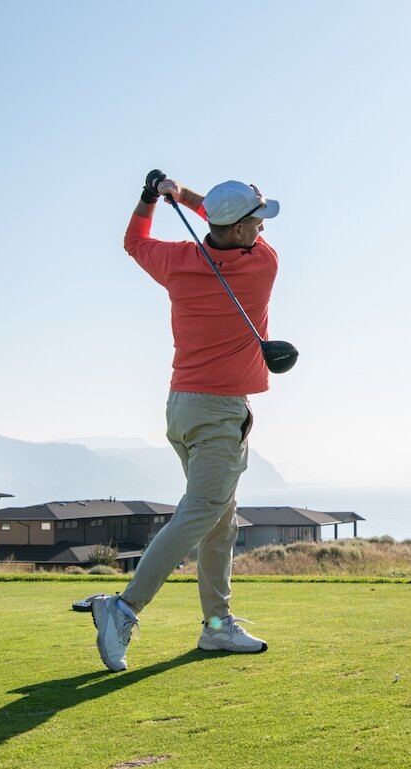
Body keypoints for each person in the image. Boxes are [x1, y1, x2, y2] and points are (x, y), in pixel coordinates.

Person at [87, 169, 282, 672]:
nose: (262, 229)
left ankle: (217, 628)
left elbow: (134, 241)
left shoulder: (175, 261)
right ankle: (123, 607)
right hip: (218, 414)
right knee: (199, 514)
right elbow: (210, 218)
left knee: (220, 523)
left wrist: (153, 197)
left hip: (181, 407)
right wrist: (184, 194)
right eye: (256, 221)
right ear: (239, 231)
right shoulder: (262, 264)